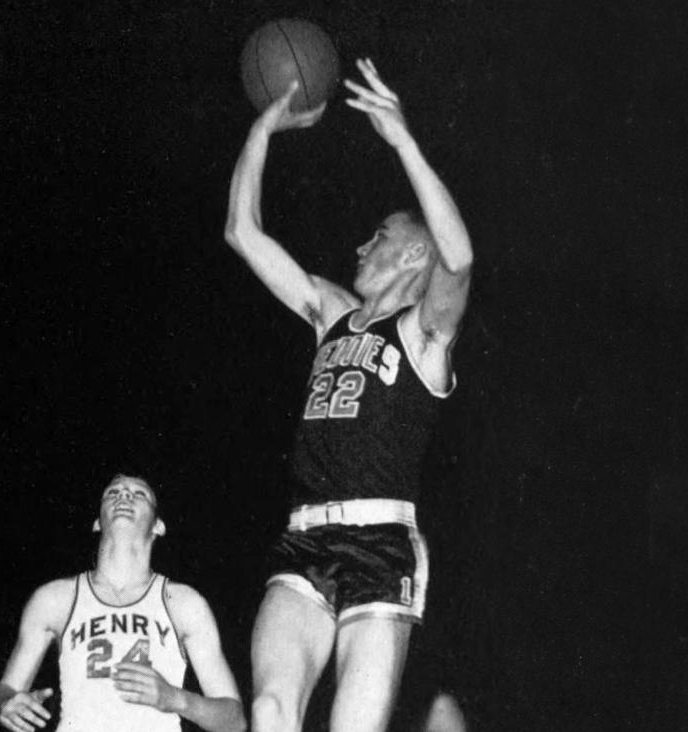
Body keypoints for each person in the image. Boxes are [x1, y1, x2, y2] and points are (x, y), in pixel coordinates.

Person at [224, 58, 473, 732]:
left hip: (381, 544)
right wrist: (262, 130)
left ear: (412, 257)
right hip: (305, 537)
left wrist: (403, 142)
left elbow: (459, 259)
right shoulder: (330, 313)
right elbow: (242, 233)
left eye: (381, 237)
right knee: (271, 708)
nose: (363, 245)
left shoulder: (424, 335)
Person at [0, 474, 247, 732]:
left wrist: (175, 698)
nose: (124, 496)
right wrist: (7, 705)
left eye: (139, 494)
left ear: (158, 526)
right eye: (113, 493)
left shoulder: (183, 603)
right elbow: (6, 689)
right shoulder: (54, 599)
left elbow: (234, 720)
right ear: (96, 523)